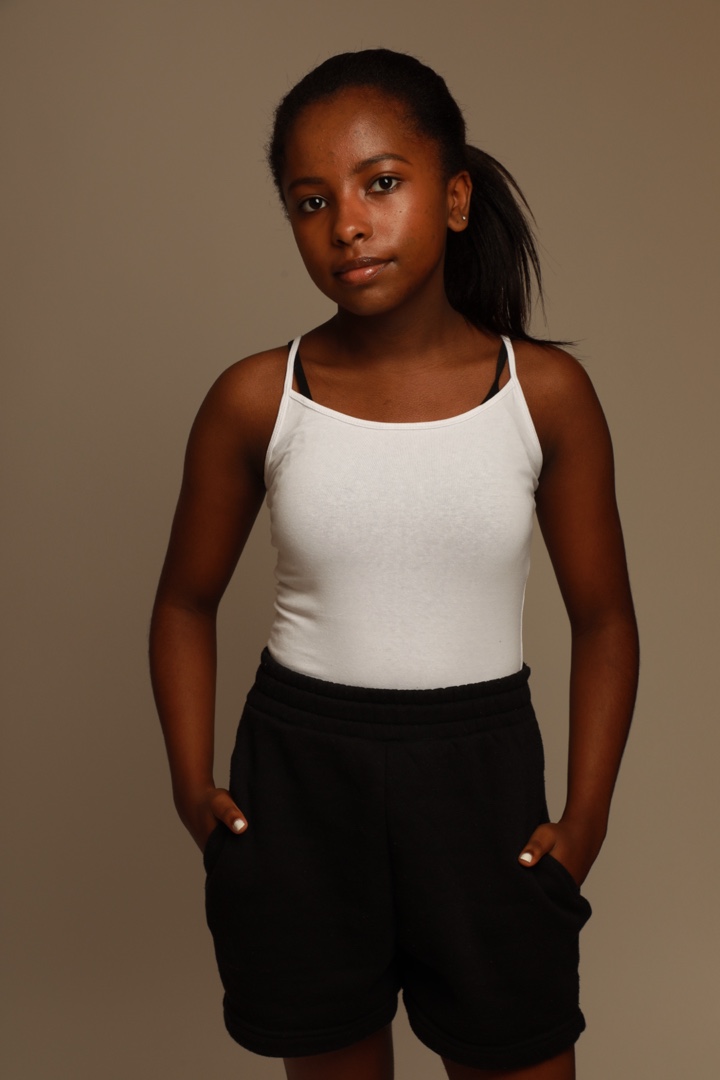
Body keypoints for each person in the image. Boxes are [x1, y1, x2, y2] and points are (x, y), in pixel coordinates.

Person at [149, 48, 639, 1080]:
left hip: (481, 780)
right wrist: (192, 786)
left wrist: (586, 816)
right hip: (300, 780)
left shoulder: (544, 395)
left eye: (380, 184)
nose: (347, 225)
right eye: (310, 201)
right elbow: (185, 602)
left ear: (454, 198)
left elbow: (605, 620)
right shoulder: (256, 398)